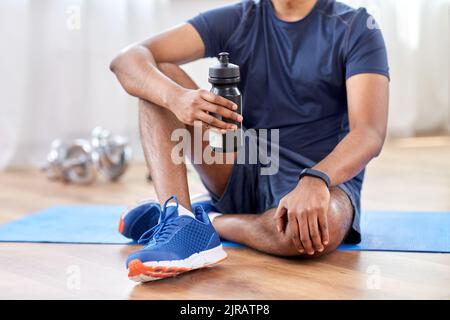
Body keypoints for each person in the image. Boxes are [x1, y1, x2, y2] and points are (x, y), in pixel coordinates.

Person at [111, 0, 389, 281]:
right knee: (158, 77)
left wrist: (317, 179)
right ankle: (180, 221)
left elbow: (368, 133)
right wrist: (176, 98)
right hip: (242, 163)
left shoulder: (356, 27)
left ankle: (206, 221)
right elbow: (127, 60)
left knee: (315, 233)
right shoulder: (241, 18)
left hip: (325, 177)